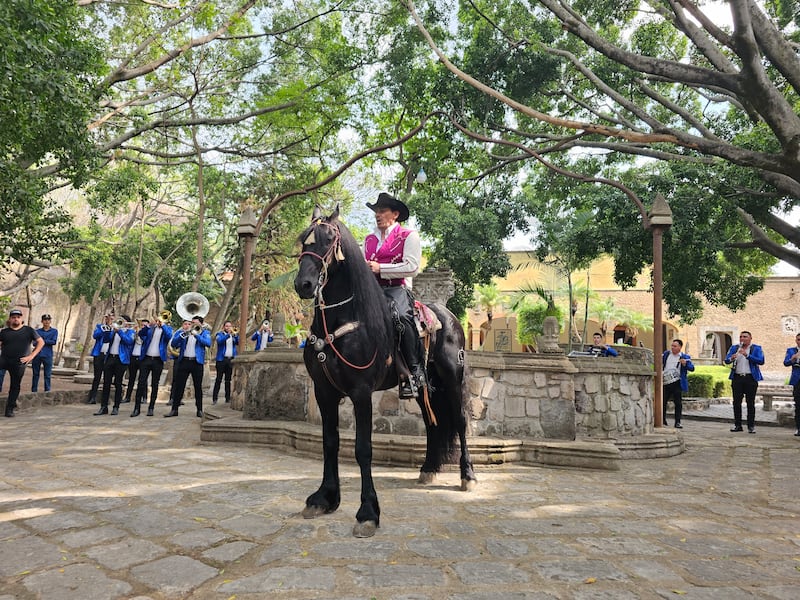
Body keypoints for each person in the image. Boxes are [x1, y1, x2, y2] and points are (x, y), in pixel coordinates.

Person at [364, 192, 424, 398]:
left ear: (395, 214)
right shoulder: (369, 239)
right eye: (376, 212)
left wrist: (380, 268)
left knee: (399, 316)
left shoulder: (409, 236)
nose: (377, 215)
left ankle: (414, 372)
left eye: (382, 211)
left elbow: (412, 267)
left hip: (398, 289)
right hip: (372, 290)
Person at [0, 308, 44, 417]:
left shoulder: (29, 330)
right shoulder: (4, 332)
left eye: (18, 317)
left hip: (19, 362)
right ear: (10, 319)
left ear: (21, 319)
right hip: (4, 360)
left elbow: (41, 342)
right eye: (13, 317)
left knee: (15, 386)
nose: (16, 319)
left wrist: (31, 356)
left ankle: (9, 409)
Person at [166, 315, 211, 418]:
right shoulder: (184, 333)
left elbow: (208, 343)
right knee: (179, 386)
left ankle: (199, 410)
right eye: (191, 323)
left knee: (198, 387)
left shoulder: (205, 333)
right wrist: (184, 333)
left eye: (195, 323)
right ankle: (174, 409)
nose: (192, 325)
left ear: (200, 324)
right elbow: (174, 343)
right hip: (184, 361)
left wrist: (197, 335)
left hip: (197, 362)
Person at [93, 316, 135, 416]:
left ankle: (116, 407)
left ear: (127, 323)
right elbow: (106, 340)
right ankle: (103, 407)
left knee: (118, 383)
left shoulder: (130, 332)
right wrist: (109, 331)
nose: (119, 323)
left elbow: (129, 341)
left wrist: (119, 331)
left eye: (122, 321)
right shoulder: (113, 330)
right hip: (110, 358)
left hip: (121, 360)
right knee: (106, 382)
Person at [724, 331, 764, 434]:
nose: (742, 339)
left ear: (750, 338)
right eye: (741, 337)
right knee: (736, 402)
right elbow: (726, 360)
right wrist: (731, 358)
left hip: (750, 378)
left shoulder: (756, 348)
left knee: (750, 403)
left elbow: (761, 361)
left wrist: (747, 355)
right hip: (737, 377)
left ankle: (751, 426)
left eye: (745, 337)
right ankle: (738, 425)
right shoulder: (734, 348)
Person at [134, 315, 174, 417]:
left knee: (155, 384)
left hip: (158, 360)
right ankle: (136, 408)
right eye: (158, 319)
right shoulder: (150, 328)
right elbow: (141, 334)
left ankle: (151, 407)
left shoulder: (167, 329)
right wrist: (148, 326)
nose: (158, 321)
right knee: (141, 383)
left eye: (160, 319)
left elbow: (169, 336)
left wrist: (163, 326)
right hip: (146, 358)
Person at [662, 339, 694, 429]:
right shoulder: (666, 354)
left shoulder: (684, 356)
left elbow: (692, 368)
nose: (673, 348)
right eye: (672, 346)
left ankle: (678, 422)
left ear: (680, 347)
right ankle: (662, 420)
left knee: (678, 403)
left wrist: (685, 364)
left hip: (677, 382)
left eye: (675, 346)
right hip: (666, 382)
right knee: (663, 401)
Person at [87, 312, 114, 405]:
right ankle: (92, 397)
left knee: (108, 378)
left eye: (111, 318)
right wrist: (105, 326)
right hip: (99, 354)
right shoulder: (100, 326)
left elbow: (111, 338)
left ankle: (105, 398)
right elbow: (95, 335)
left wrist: (111, 327)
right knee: (97, 377)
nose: (109, 319)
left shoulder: (116, 329)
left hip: (109, 355)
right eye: (107, 318)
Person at [212, 321, 239, 404]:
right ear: (224, 327)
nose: (229, 328)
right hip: (221, 360)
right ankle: (215, 398)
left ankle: (227, 398)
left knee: (228, 380)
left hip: (230, 359)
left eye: (230, 326)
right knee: (218, 379)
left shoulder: (233, 335)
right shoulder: (219, 334)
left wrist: (235, 335)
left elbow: (238, 342)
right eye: (227, 326)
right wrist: (228, 335)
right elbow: (220, 342)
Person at [31, 314, 58, 393]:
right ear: (42, 321)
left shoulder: (54, 331)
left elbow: (53, 341)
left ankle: (47, 390)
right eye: (45, 320)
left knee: (48, 374)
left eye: (48, 320)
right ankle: (34, 390)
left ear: (50, 321)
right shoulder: (37, 331)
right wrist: (44, 341)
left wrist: (41, 341)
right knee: (35, 374)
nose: (47, 321)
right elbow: (34, 343)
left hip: (48, 355)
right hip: (37, 354)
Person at [123, 318, 147, 404]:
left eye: (144, 326)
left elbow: (144, 341)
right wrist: (135, 333)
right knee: (131, 378)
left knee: (143, 379)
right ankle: (127, 397)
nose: (142, 327)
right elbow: (130, 341)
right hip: (133, 357)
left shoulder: (147, 334)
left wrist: (141, 333)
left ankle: (144, 397)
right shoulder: (134, 332)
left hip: (142, 358)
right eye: (141, 325)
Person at [783, 333, 800, 437]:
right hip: (797, 381)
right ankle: (798, 428)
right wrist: (792, 358)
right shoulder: (791, 350)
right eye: (798, 339)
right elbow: (786, 363)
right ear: (796, 340)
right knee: (798, 405)